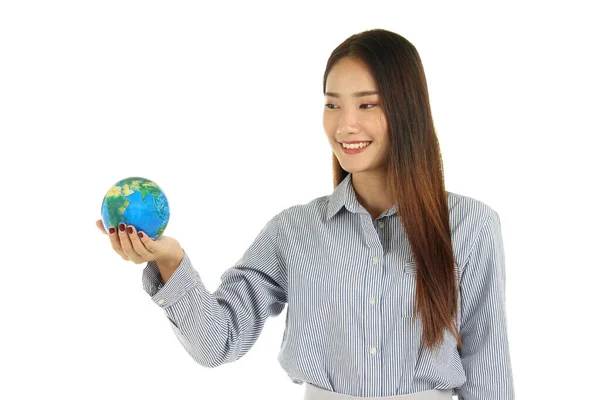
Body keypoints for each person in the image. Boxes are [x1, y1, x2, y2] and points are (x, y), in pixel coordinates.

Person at [96, 28, 515, 400]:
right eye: (333, 105)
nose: (345, 125)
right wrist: (169, 261)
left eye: (367, 105)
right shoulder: (293, 231)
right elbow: (216, 343)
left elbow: (488, 374)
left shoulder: (470, 226)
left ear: (408, 110)